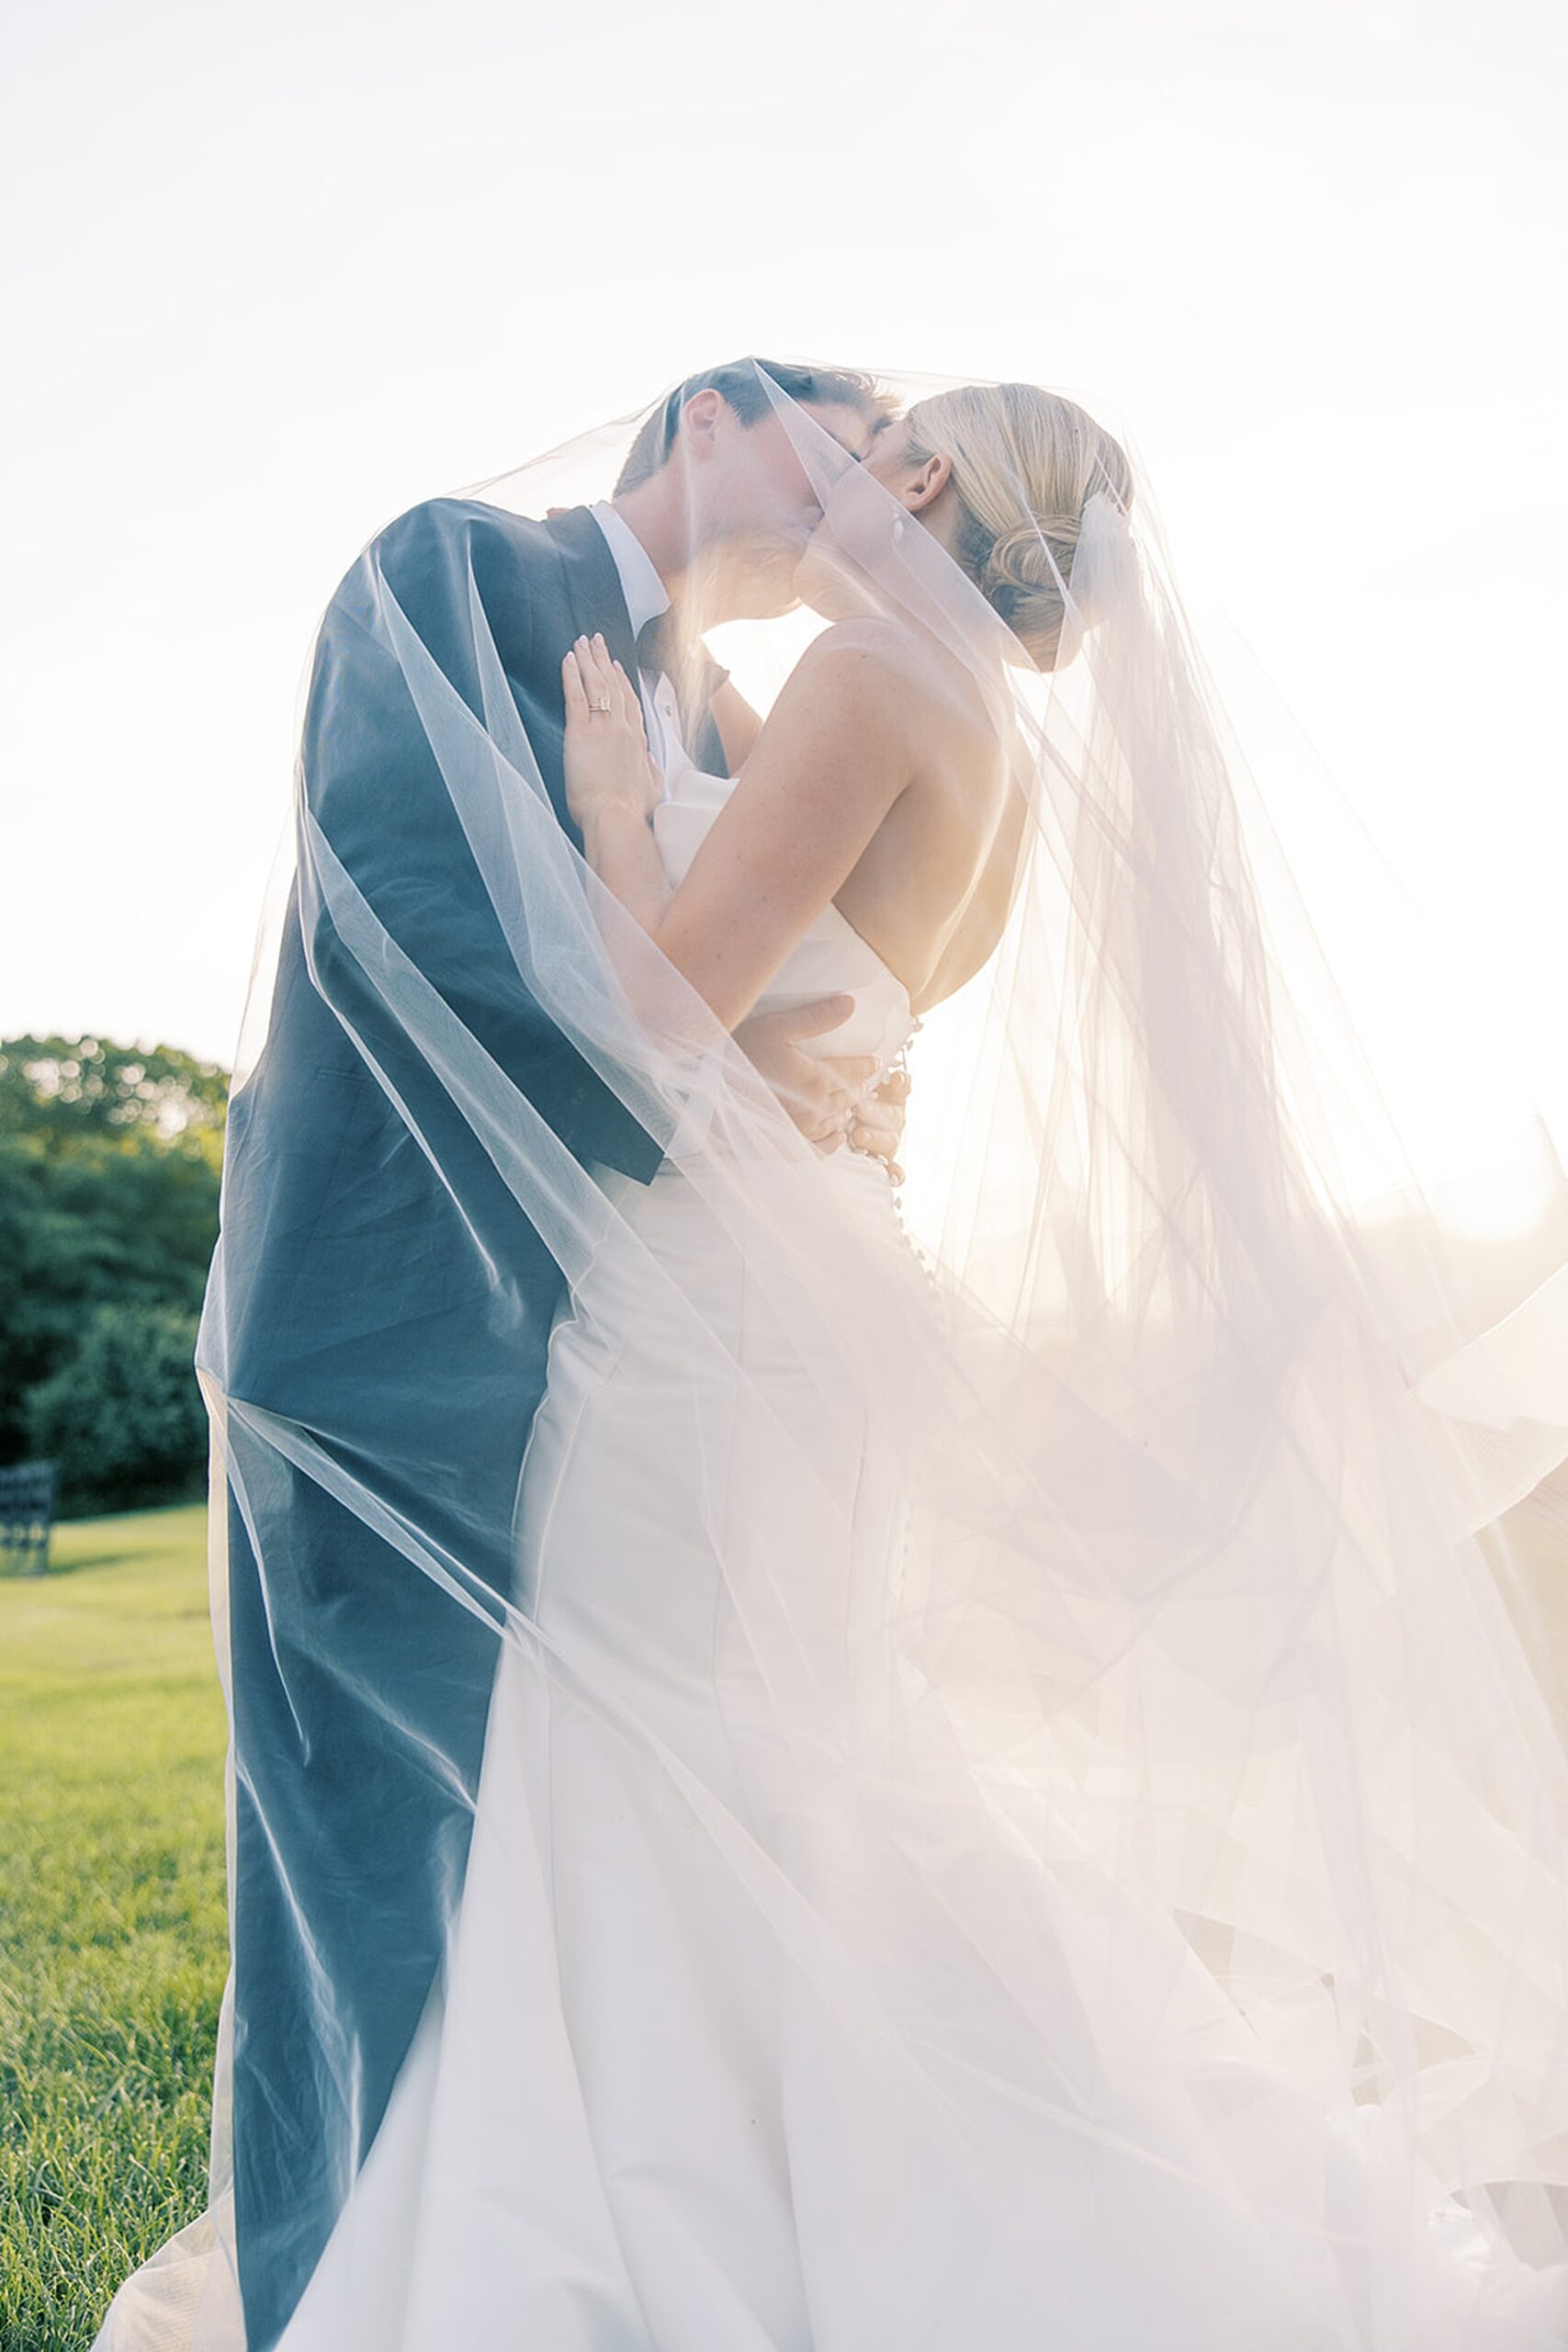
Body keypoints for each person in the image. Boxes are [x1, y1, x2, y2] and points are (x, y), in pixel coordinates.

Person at [96, 364, 1568, 2349]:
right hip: (821, 1286)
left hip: (711, 1314)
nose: (842, 480)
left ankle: (652, 2209)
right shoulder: (992, 749)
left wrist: (617, 812)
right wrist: (767, 1036)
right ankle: (772, 2168)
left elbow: (654, 1007)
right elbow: (833, 1032)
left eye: (875, 441)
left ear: (920, 474)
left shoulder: (866, 682)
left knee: (647, 1743)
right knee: (785, 1754)